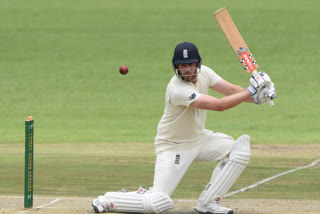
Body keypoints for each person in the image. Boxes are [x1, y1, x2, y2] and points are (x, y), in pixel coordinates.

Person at [92, 42, 276, 214]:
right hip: (174, 147)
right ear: (176, 67)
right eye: (183, 66)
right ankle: (108, 200)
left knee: (239, 151)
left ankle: (208, 203)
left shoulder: (205, 72)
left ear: (198, 63)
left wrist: (258, 97)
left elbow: (230, 91)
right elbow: (219, 105)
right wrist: (251, 90)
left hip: (199, 139)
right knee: (158, 202)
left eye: (191, 64)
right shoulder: (177, 89)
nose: (188, 70)